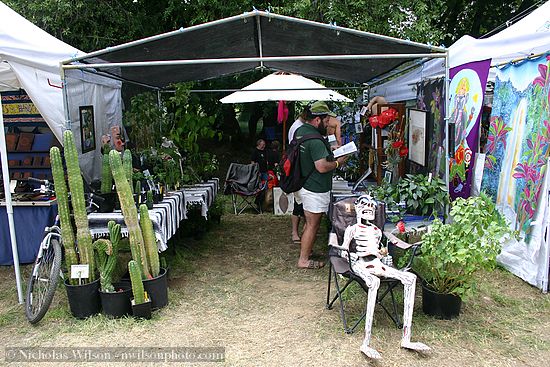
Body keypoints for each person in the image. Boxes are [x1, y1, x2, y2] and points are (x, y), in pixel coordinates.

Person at [331, 195, 430, 359]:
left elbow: (380, 251)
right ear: (358, 208)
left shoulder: (377, 232)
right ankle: (366, 342)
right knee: (374, 282)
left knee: (410, 278)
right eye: (365, 204)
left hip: (377, 263)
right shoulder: (352, 229)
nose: (369, 206)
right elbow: (342, 250)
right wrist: (351, 255)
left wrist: (383, 253)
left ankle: (407, 338)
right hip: (360, 263)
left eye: (372, 204)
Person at [295, 101, 347, 269]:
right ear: (317, 120)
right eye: (326, 121)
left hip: (304, 183)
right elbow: (322, 166)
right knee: (312, 224)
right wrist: (339, 162)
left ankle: (307, 251)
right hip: (314, 187)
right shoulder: (316, 140)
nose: (328, 125)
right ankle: (303, 260)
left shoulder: (301, 131)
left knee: (309, 221)